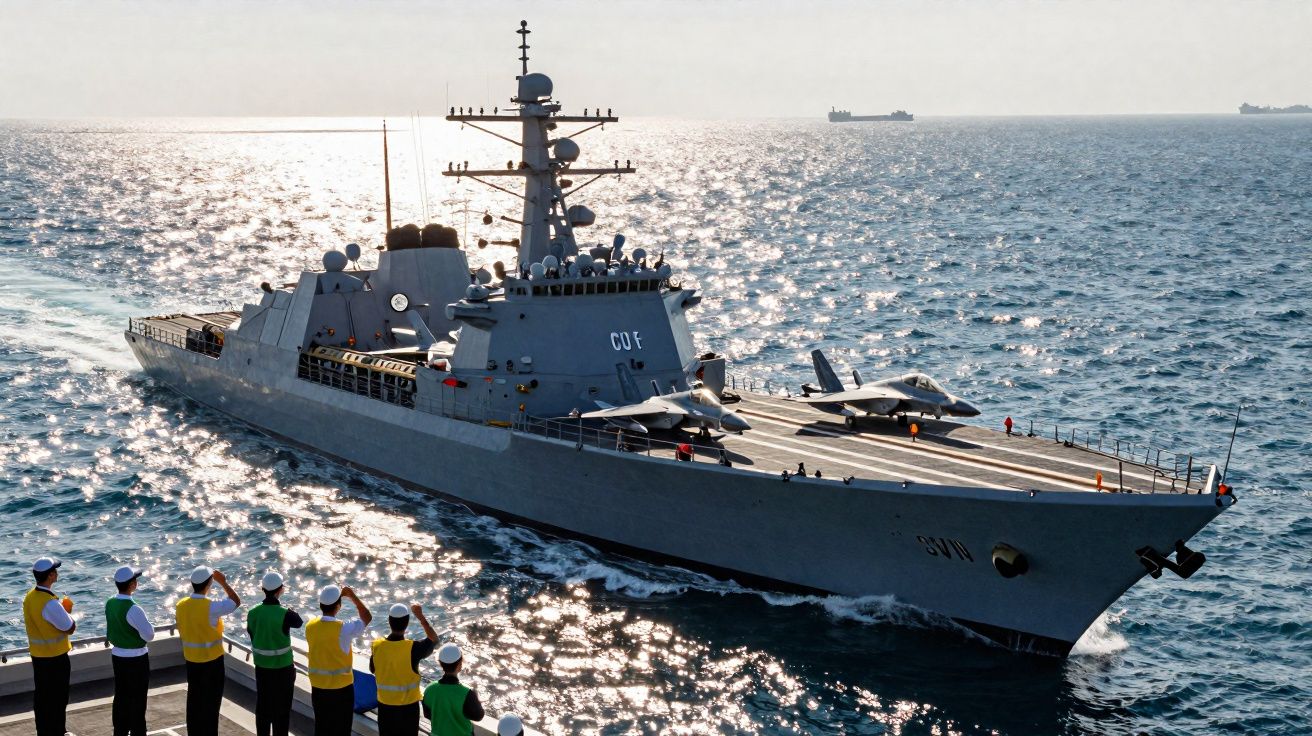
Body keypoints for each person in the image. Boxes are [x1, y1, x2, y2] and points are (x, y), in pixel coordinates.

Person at [176, 565, 241, 736]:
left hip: (191, 661)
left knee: (194, 702)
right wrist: (223, 582)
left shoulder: (181, 605)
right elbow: (236, 601)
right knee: (211, 705)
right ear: (209, 583)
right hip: (212, 662)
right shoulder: (211, 607)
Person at [306, 583, 372, 736]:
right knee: (341, 730)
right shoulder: (343, 629)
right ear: (338, 606)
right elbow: (367, 617)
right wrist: (352, 596)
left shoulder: (310, 625)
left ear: (321, 604)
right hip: (341, 690)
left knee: (322, 728)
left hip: (318, 687)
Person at [246, 571, 303, 736]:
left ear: (263, 589)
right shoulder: (284, 613)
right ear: (280, 589)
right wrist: (291, 610)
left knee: (263, 707)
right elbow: (298, 622)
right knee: (282, 711)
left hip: (262, 668)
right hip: (283, 668)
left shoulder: (253, 612)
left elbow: (252, 632)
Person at [24, 557, 75, 736]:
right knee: (59, 698)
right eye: (55, 570)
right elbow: (70, 628)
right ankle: (58, 731)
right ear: (51, 575)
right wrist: (67, 611)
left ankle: (44, 732)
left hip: (38, 656)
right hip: (56, 658)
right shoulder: (51, 603)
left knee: (42, 699)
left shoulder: (31, 596)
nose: (57, 573)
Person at [369, 602, 438, 735]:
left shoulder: (377, 646)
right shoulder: (413, 648)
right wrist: (421, 617)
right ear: (406, 623)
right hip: (408, 710)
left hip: (385, 708)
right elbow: (434, 639)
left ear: (389, 621)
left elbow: (373, 669)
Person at [107, 565, 155, 736]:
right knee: (138, 699)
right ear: (132, 584)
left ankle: (119, 730)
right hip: (136, 659)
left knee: (121, 696)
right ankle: (138, 731)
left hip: (118, 656)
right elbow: (149, 635)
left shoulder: (110, 602)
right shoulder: (134, 608)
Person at [421, 643, 485, 736]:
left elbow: (427, 715)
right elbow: (478, 716)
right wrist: (476, 698)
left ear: (440, 663)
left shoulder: (429, 689)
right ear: (460, 664)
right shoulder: (466, 693)